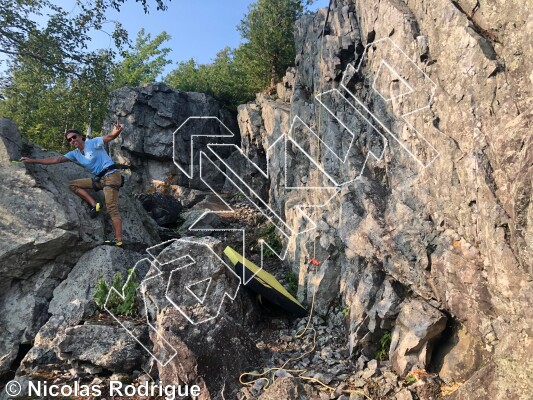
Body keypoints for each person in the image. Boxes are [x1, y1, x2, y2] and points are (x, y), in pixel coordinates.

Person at [21, 122, 125, 246]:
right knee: (73, 184)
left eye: (74, 137)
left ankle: (118, 240)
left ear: (81, 136)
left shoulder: (93, 143)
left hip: (112, 176)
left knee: (112, 208)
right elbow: (56, 160)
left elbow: (109, 137)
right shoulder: (74, 154)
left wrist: (117, 131)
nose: (72, 140)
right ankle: (94, 204)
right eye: (69, 140)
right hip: (101, 180)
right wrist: (33, 161)